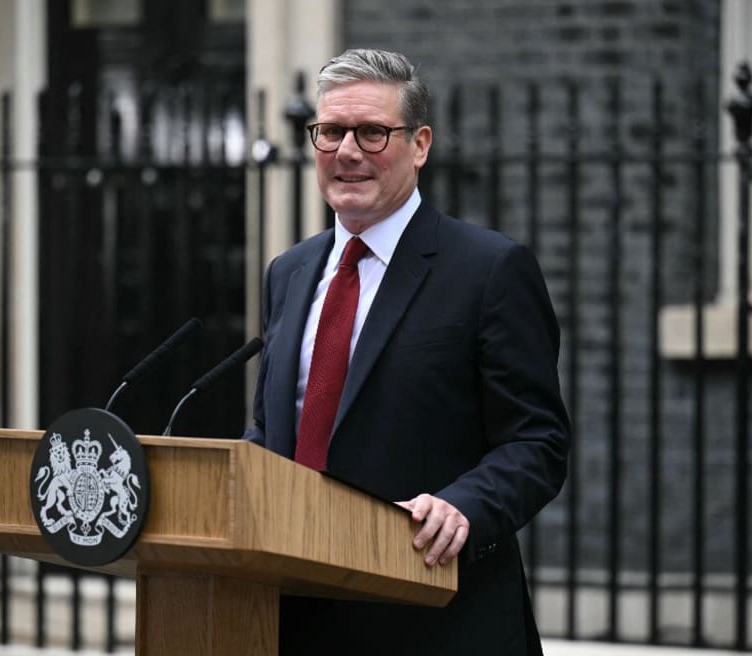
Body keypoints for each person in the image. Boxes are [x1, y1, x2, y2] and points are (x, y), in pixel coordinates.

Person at [244, 48, 570, 655]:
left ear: (420, 144)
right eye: (331, 132)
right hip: (294, 616)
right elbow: (273, 433)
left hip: (435, 614)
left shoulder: (489, 269)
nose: (346, 151)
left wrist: (464, 506)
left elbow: (538, 442)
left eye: (372, 132)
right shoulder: (288, 272)